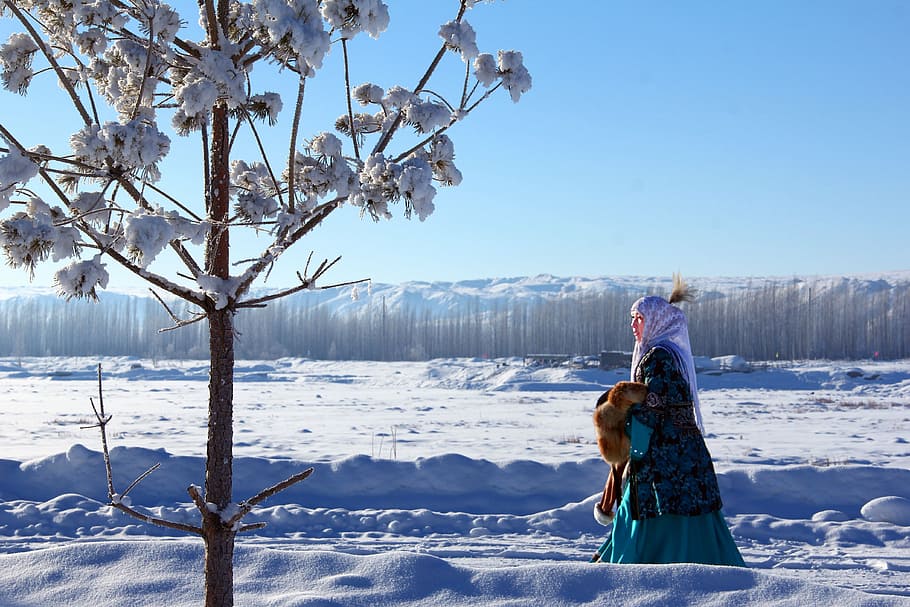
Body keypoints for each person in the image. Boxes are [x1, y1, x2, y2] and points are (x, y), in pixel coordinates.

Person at [592, 275, 745, 566]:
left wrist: (627, 438)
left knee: (652, 512)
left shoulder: (657, 358)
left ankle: (638, 572)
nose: (632, 325)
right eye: (632, 318)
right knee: (666, 512)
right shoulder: (661, 355)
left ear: (655, 322)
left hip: (667, 461)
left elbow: (655, 408)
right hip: (679, 456)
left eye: (638, 318)